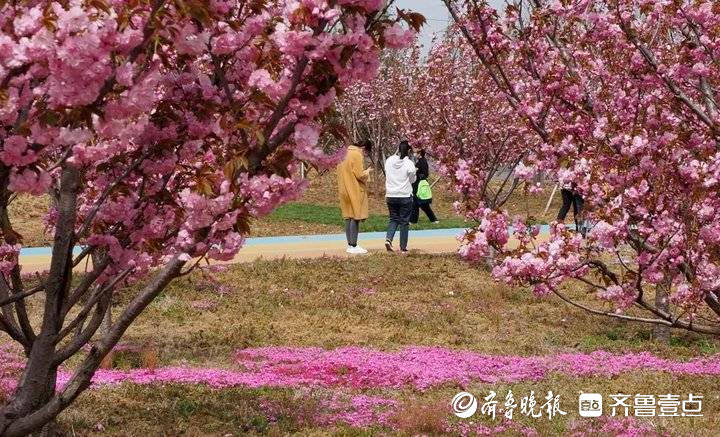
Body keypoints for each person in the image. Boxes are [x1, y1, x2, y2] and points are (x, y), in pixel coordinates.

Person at [338, 139, 373, 254]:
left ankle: (350, 245)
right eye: (366, 152)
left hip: (344, 189)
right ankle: (354, 245)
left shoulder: (344, 153)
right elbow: (359, 174)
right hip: (354, 189)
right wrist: (367, 172)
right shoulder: (357, 155)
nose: (365, 155)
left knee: (348, 217)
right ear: (363, 148)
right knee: (355, 217)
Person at [384, 141, 417, 253]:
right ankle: (403, 248)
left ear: (397, 149)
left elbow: (387, 173)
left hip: (391, 195)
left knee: (393, 219)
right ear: (409, 151)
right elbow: (413, 180)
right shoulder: (409, 164)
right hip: (404, 195)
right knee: (404, 222)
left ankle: (388, 239)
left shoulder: (389, 161)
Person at [410, 148, 439, 224]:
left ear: (419, 153)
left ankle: (413, 221)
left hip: (419, 184)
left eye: (415, 153)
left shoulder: (422, 161)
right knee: (424, 204)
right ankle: (433, 219)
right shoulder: (420, 161)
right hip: (417, 184)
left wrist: (416, 171)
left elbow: (425, 174)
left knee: (416, 203)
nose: (414, 154)